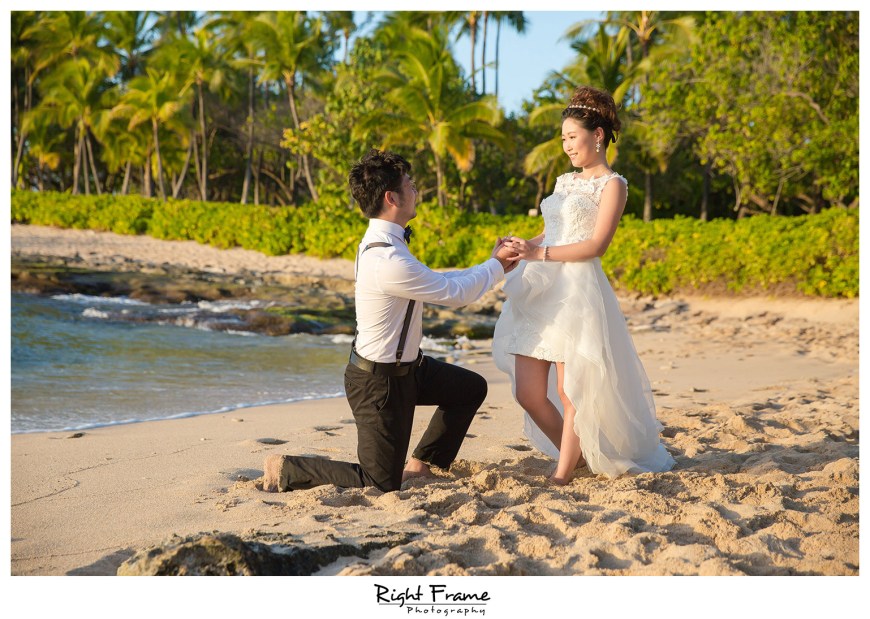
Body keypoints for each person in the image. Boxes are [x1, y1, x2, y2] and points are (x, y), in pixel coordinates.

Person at [263, 148, 516, 493]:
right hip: (377, 384)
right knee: (379, 483)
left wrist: (492, 264)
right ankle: (288, 469)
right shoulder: (387, 259)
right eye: (410, 186)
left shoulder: (388, 247)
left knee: (470, 388)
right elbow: (455, 294)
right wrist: (496, 267)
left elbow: (440, 281)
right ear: (391, 197)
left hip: (410, 370)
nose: (416, 192)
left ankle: (421, 464)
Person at [493, 86, 675, 484]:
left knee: (570, 385)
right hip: (541, 286)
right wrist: (522, 246)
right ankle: (574, 455)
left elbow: (596, 245)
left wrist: (538, 255)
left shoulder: (614, 185)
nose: (566, 147)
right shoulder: (564, 181)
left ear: (597, 136)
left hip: (576, 289)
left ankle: (563, 473)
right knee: (528, 392)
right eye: (563, 139)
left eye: (571, 138)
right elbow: (550, 231)